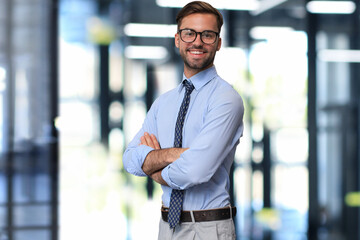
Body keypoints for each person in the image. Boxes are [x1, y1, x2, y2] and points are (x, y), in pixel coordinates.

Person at [122, 1, 244, 239]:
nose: (197, 42)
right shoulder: (163, 103)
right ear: (177, 39)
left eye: (207, 35)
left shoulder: (226, 100)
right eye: (189, 33)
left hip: (208, 228)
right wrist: (175, 154)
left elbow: (195, 171)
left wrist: (156, 171)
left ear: (218, 43)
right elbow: (130, 158)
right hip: (166, 225)